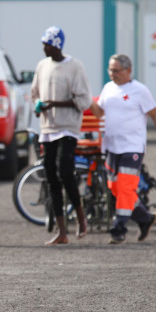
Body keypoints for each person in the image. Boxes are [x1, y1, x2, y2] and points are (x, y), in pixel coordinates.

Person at [89, 53, 156, 245]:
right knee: (116, 188)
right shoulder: (108, 88)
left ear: (128, 70)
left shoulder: (140, 90)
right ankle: (145, 218)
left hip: (131, 147)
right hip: (111, 146)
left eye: (116, 70)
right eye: (110, 70)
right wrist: (87, 99)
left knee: (125, 188)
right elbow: (99, 112)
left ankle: (119, 228)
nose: (113, 74)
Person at [31, 26, 92, 245]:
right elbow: (35, 94)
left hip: (67, 127)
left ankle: (81, 216)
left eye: (46, 44)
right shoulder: (42, 66)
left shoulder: (75, 67)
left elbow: (84, 100)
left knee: (65, 171)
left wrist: (54, 104)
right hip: (48, 130)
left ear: (56, 45)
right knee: (51, 177)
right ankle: (62, 231)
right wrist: (39, 106)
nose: (43, 48)